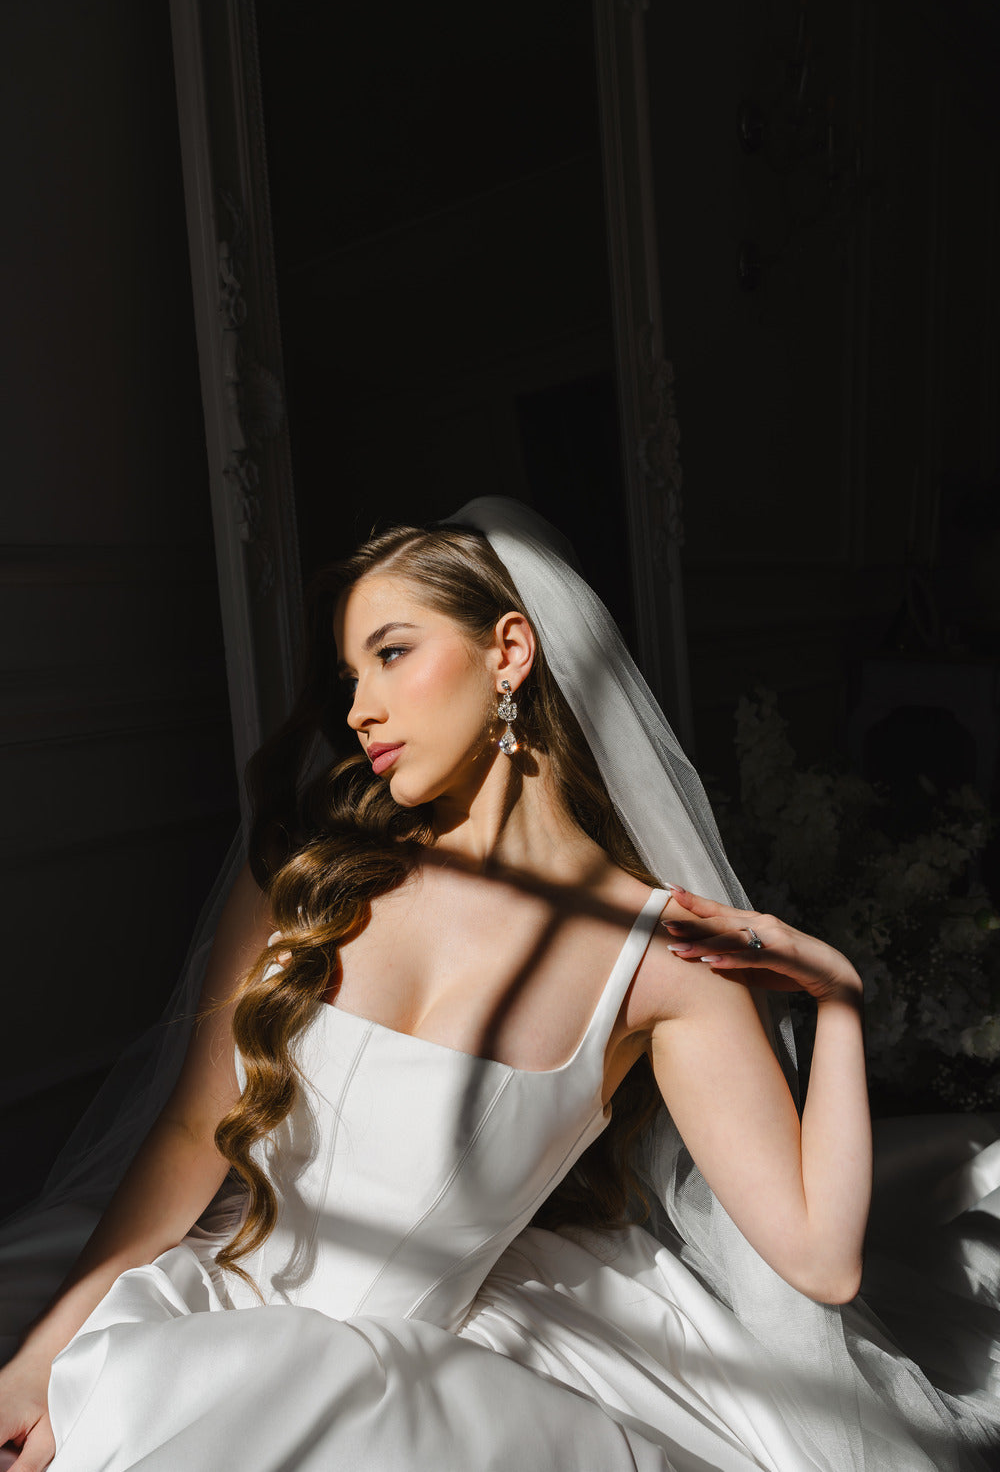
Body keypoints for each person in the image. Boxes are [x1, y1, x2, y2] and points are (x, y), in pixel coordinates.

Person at [0, 496, 997, 1472]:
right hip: (193, 1321)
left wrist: (837, 999)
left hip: (402, 1402)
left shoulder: (657, 964)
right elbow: (190, 1132)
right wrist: (43, 1357)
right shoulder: (303, 876)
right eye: (349, 675)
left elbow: (821, 1261)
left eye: (392, 653)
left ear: (508, 651)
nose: (358, 709)